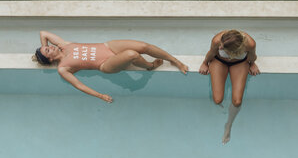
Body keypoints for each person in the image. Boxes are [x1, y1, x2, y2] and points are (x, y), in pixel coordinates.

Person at [33, 31, 188, 103]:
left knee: (143, 46)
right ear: (49, 58)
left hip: (108, 46)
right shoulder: (63, 68)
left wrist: (42, 50)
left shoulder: (63, 45)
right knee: (131, 54)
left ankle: (175, 61)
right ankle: (149, 66)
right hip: (105, 64)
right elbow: (79, 85)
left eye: (48, 47)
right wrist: (100, 96)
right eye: (48, 50)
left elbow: (43, 33)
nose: (51, 47)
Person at [199, 29, 260, 144]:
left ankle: (229, 125)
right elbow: (211, 52)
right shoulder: (217, 40)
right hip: (219, 62)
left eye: (223, 47)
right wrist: (205, 63)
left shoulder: (250, 43)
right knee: (217, 100)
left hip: (240, 63)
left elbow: (253, 56)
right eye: (221, 45)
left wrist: (252, 64)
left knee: (237, 101)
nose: (220, 47)